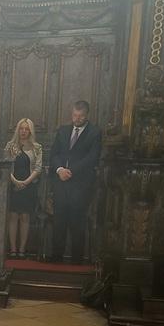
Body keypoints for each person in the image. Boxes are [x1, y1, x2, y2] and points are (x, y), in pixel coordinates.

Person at [49, 100, 102, 264]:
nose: (77, 119)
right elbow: (54, 154)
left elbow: (92, 158)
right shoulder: (63, 131)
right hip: (61, 182)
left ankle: (77, 260)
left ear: (87, 115)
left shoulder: (94, 133)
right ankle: (56, 257)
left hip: (81, 184)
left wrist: (71, 171)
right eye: (74, 115)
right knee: (59, 221)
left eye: (80, 116)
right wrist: (60, 170)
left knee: (77, 221)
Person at [3, 118, 43, 258]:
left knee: (25, 216)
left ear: (30, 131)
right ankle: (13, 249)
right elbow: (6, 166)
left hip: (29, 185)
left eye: (27, 129)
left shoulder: (36, 147)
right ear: (17, 130)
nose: (24, 131)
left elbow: (38, 168)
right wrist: (15, 182)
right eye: (21, 128)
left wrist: (25, 182)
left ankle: (22, 250)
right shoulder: (10, 146)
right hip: (13, 185)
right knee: (13, 216)